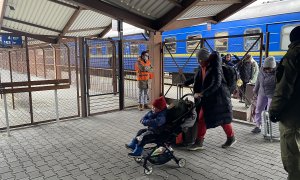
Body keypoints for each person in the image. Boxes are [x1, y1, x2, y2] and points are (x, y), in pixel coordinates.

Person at [187, 48, 236, 150]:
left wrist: (202, 94)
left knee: (222, 120)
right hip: (209, 98)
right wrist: (186, 82)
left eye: (200, 60)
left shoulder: (215, 68)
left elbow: (217, 84)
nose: (199, 62)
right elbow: (197, 77)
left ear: (205, 59)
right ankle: (199, 142)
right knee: (204, 119)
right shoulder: (203, 67)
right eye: (198, 60)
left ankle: (230, 138)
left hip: (219, 98)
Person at [269, 26, 300, 180]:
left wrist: (274, 111)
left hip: (293, 117)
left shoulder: (294, 54)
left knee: (293, 158)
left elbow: (284, 88)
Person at [251, 56, 276, 133]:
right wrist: (255, 90)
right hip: (262, 93)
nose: (267, 71)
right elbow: (258, 81)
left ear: (273, 67)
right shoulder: (261, 70)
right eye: (266, 68)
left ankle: (269, 129)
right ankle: (258, 125)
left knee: (269, 111)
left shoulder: (278, 72)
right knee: (258, 109)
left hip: (272, 94)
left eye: (269, 69)